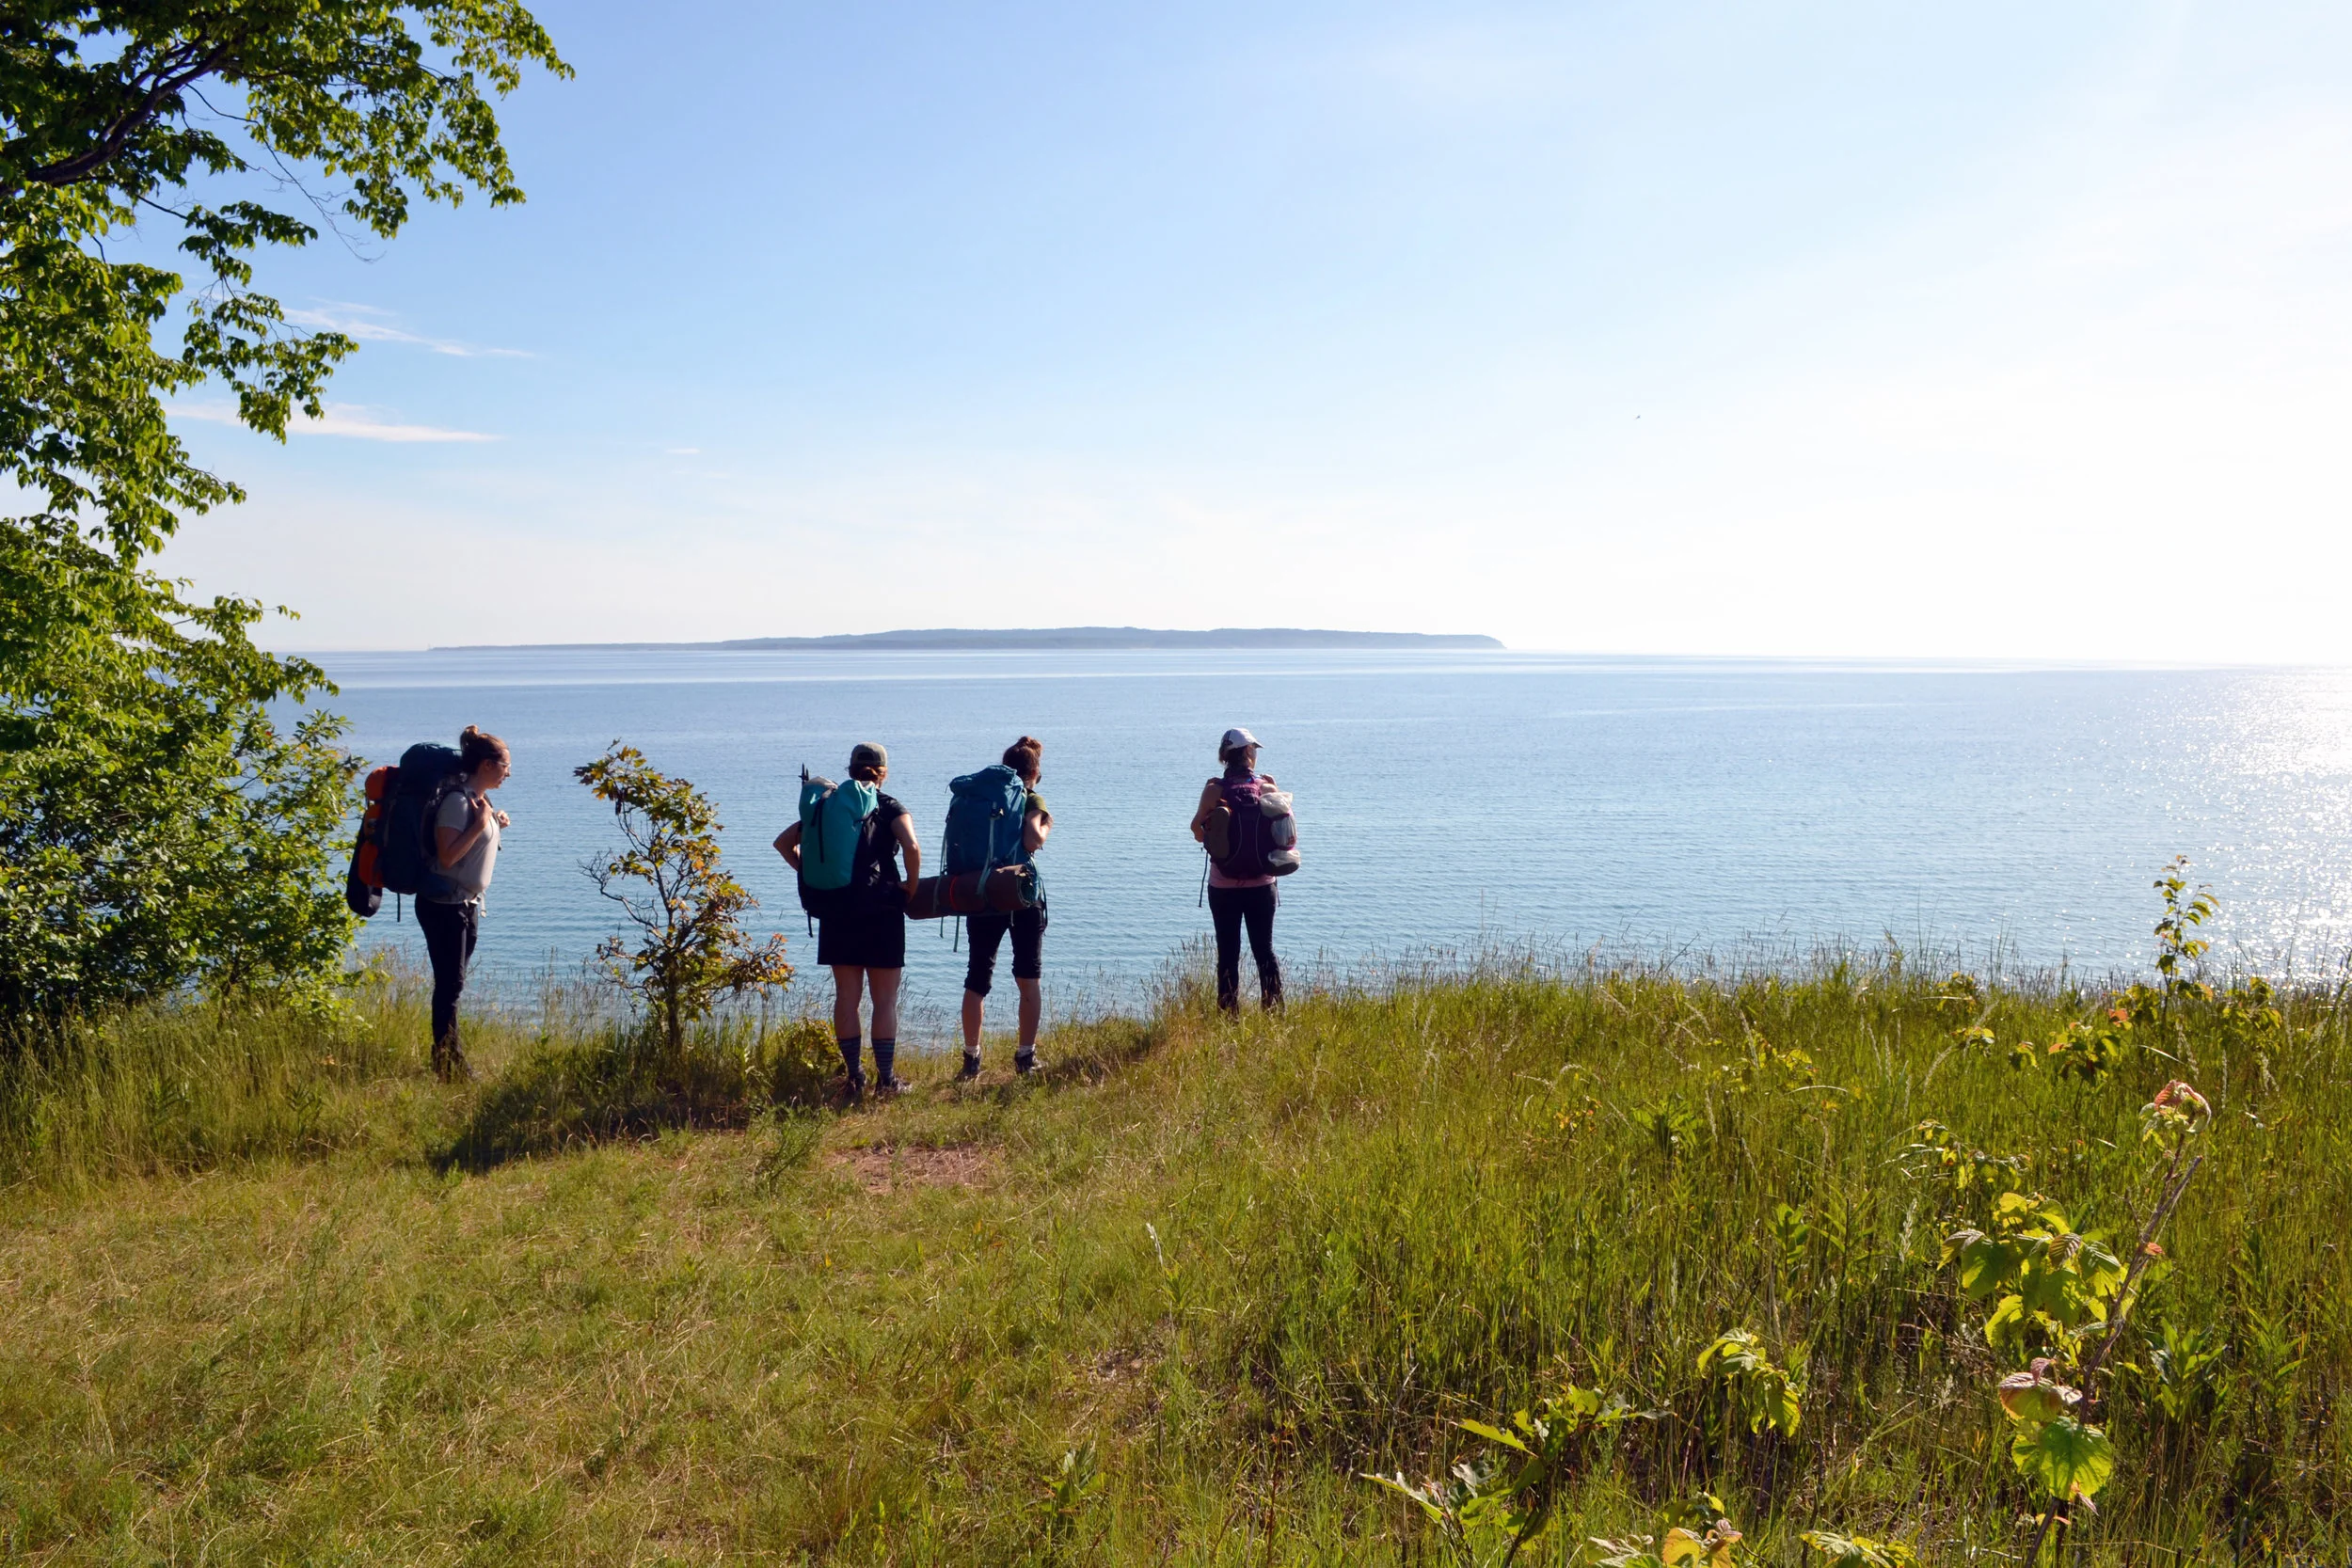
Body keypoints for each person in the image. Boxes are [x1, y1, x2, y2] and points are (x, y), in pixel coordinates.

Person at [774, 742, 920, 1098]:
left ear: (850, 768)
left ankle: (855, 1078)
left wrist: (807, 871)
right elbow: (913, 848)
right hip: (882, 909)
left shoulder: (827, 807)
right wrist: (910, 889)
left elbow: (782, 843)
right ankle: (887, 1082)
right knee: (884, 1000)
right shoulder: (889, 807)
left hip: (837, 910)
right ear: (883, 773)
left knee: (847, 997)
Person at [959, 736, 1054, 1079]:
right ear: (1034, 773)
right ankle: (1025, 1057)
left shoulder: (982, 796)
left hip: (982, 891)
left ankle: (972, 1059)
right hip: (1021, 893)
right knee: (1028, 979)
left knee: (977, 977)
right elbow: (1033, 839)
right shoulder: (1030, 796)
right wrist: (1046, 823)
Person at [420, 724, 511, 1081]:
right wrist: (481, 824)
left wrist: (494, 823)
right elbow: (447, 857)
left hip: (465, 904)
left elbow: (473, 845)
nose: (508, 774)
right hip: (444, 907)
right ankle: (448, 1065)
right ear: (487, 765)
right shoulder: (458, 802)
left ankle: (447, 1060)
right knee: (450, 985)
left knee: (452, 984)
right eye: (505, 766)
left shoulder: (478, 801)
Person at [1189, 726, 1283, 1014]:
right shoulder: (1266, 788)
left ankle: (1229, 1016)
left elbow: (1196, 830)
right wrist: (1276, 788)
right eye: (1253, 749)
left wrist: (1214, 832)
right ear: (1247, 754)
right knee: (1264, 951)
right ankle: (1275, 1013)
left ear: (1224, 756)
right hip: (1262, 885)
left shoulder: (1214, 790)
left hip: (1223, 887)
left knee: (1228, 953)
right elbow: (1283, 834)